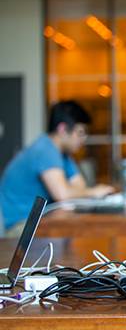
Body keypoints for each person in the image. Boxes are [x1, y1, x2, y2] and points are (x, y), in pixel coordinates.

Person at [0, 101, 115, 237]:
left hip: (38, 222)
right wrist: (94, 192)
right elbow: (62, 194)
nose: (83, 139)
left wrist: (87, 192)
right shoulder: (46, 150)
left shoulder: (62, 153)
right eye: (80, 132)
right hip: (19, 227)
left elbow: (80, 187)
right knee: (75, 241)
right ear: (62, 129)